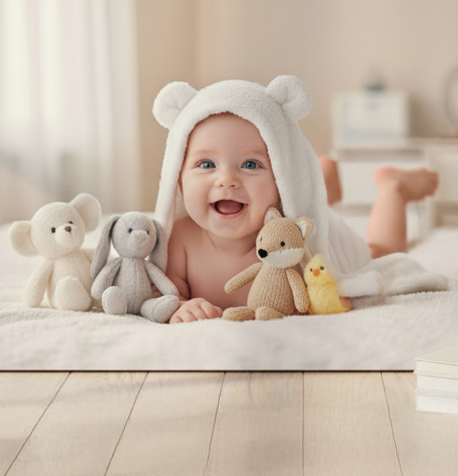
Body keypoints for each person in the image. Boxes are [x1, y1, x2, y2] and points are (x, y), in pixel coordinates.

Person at [150, 77, 439, 324]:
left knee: (379, 251)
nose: (226, 180)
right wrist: (181, 306)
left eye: (250, 165)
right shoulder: (180, 240)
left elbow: (326, 292)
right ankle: (327, 179)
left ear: (284, 181)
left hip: (306, 226)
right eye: (206, 164)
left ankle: (393, 188)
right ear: (178, 179)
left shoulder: (298, 244)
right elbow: (165, 294)